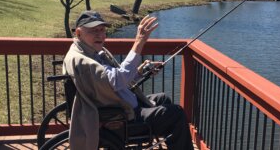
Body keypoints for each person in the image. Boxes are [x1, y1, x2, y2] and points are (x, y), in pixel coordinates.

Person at [63, 11, 194, 150]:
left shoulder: (87, 52)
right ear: (78, 33)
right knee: (176, 114)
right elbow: (118, 80)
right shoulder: (84, 61)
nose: (100, 35)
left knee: (163, 99)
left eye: (102, 30)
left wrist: (140, 71)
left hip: (118, 106)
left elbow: (114, 81)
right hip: (120, 118)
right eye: (94, 30)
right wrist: (139, 41)